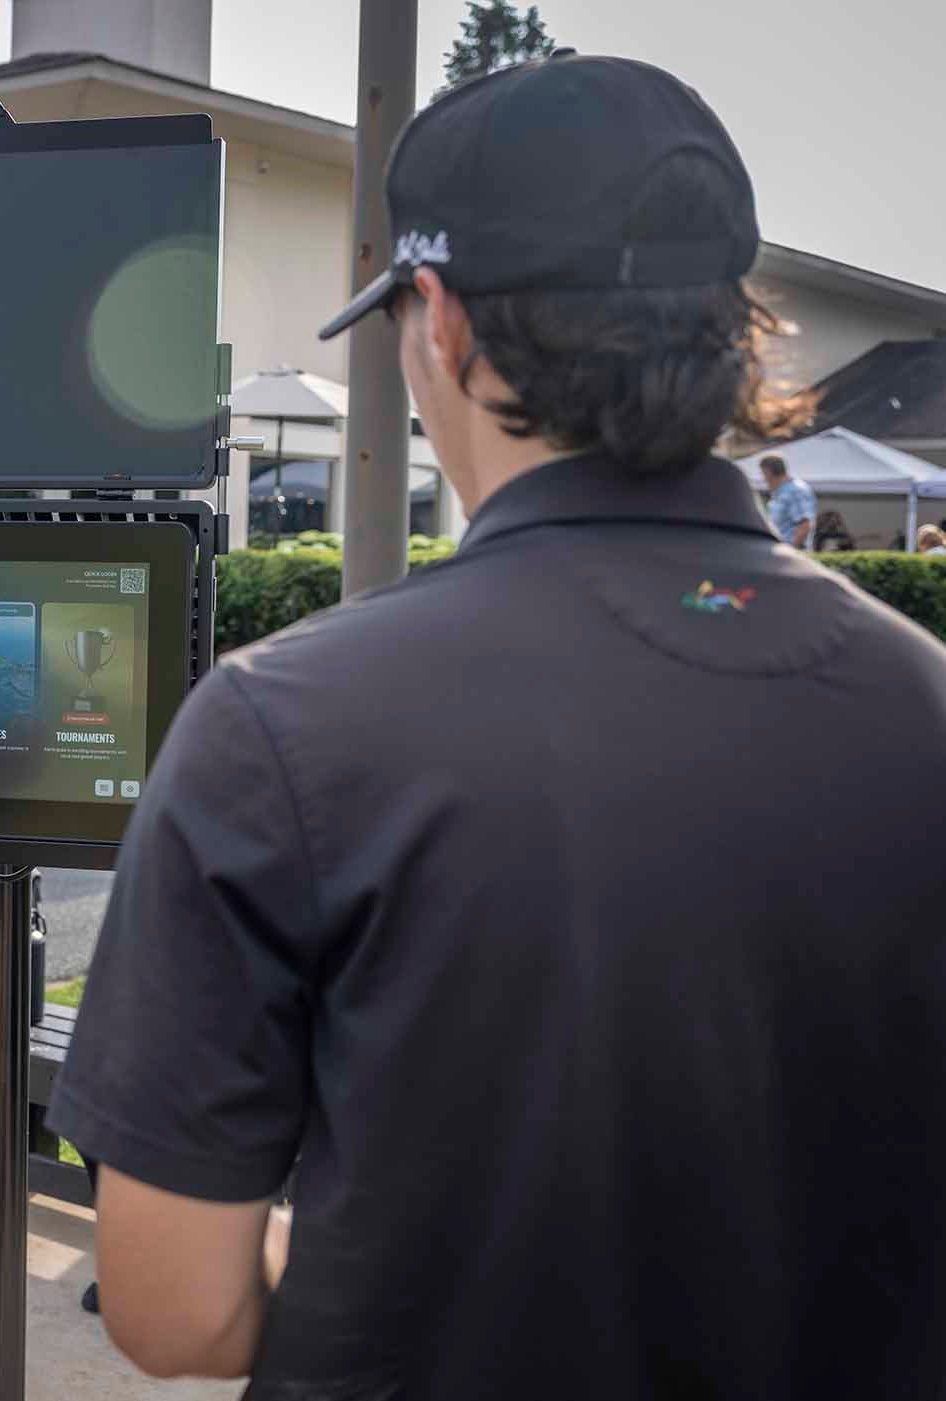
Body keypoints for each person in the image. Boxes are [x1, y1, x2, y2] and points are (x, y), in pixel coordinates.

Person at [49, 54, 946, 1399]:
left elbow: (173, 1308)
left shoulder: (281, 724)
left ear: (443, 325)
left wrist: (370, 1257)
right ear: (730, 331)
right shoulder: (919, 706)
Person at [761, 451, 817, 549]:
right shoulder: (779, 492)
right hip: (779, 553)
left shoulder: (795, 491)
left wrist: (791, 551)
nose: (763, 478)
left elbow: (804, 525)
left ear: (768, 472)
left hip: (790, 557)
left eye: (763, 473)